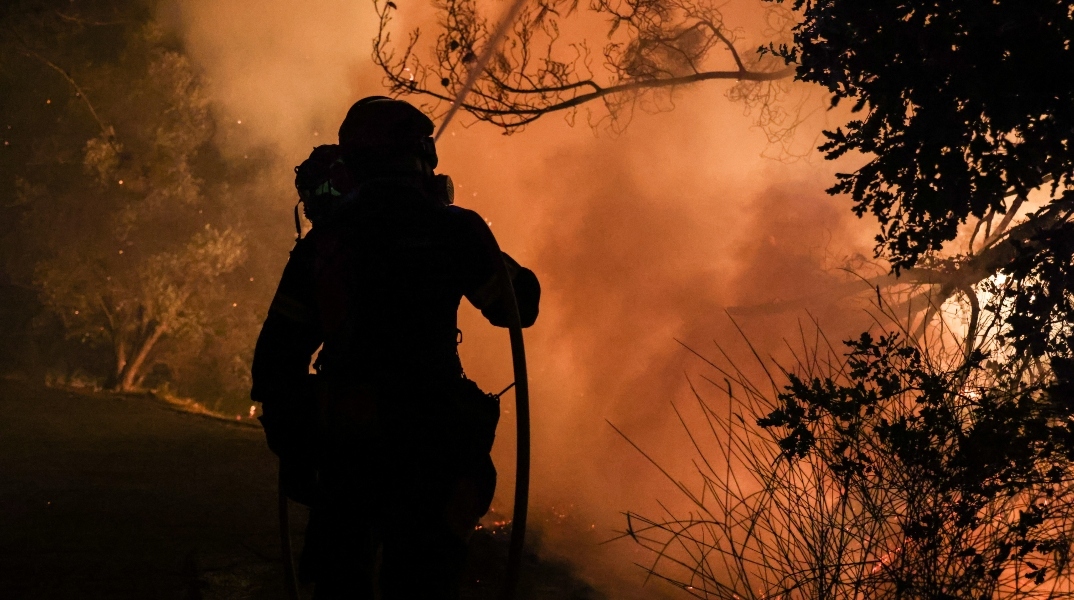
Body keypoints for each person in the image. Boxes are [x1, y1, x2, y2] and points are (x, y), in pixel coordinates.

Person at [250, 96, 540, 600]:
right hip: (432, 447)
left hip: (348, 449)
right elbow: (520, 308)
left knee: (343, 583)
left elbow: (277, 357)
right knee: (423, 583)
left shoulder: (326, 241)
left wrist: (297, 449)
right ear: (419, 157)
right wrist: (471, 243)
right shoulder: (453, 229)